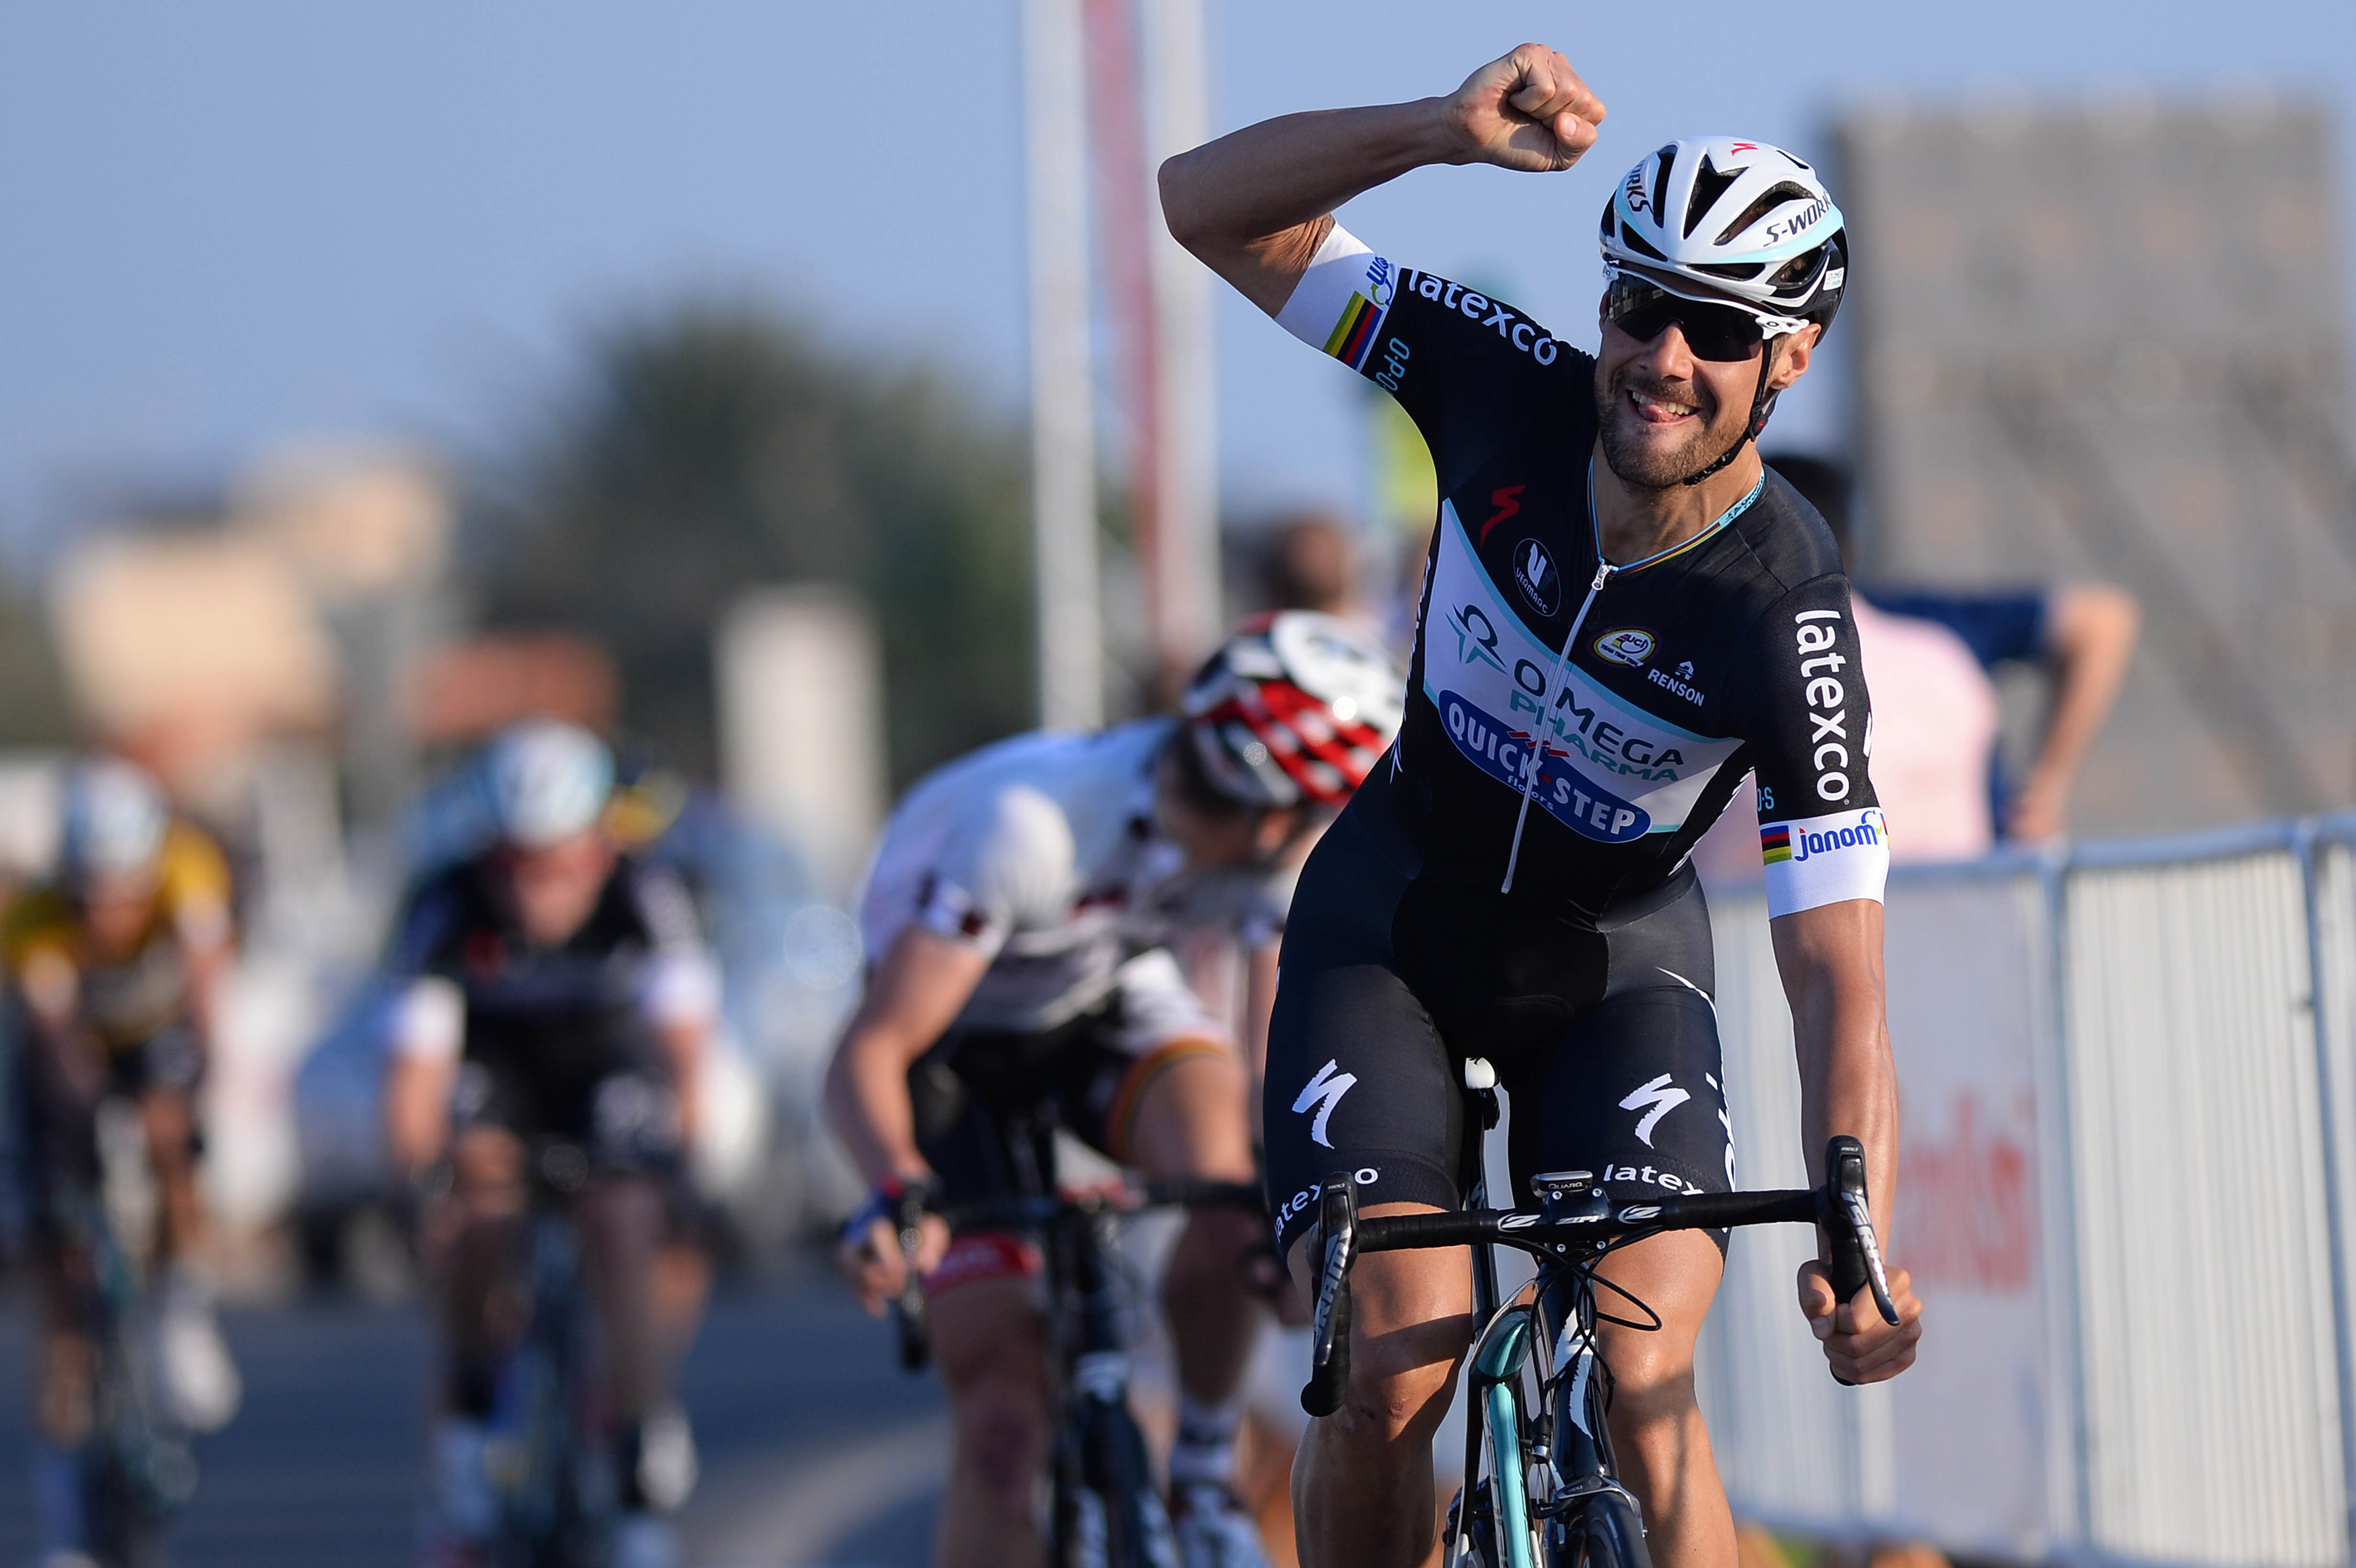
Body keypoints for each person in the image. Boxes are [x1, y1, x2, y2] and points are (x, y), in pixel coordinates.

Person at [1161, 44, 1925, 1568]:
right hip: (1392, 924)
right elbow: (1201, 207)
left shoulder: (1789, 617)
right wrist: (1432, 133)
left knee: (1646, 1377)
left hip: (1608, 968)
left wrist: (1858, 1235)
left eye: (1717, 328)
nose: (1662, 356)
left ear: (1790, 357)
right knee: (1390, 1372)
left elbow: (1837, 974)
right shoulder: (1496, 383)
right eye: (1640, 304)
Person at [829, 612, 1404, 1568]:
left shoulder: (1266, 845)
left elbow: (1275, 1051)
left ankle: (1208, 1470)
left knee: (1231, 1179)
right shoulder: (1029, 830)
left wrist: (1280, 1206)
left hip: (1101, 996)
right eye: (1322, 812)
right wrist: (892, 1183)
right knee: (1004, 1416)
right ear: (1271, 810)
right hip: (949, 1045)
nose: (1323, 837)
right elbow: (872, 1046)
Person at [383, 720, 718, 1568]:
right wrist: (421, 1181)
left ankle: (639, 1458)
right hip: (498, 1071)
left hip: (607, 1068)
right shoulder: (446, 902)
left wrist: (683, 1165)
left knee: (624, 1215)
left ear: (600, 848)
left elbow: (685, 1047)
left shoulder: (647, 894)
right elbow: (415, 1071)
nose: (538, 890)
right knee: (474, 1208)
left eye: (560, 864)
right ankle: (466, 1431)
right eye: (516, 867)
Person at [5, 756, 242, 1551]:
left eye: (123, 890)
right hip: (71, 1063)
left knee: (170, 1130)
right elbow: (54, 1046)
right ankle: (67, 1523)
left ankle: (182, 1308)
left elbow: (210, 995)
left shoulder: (188, 870)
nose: (107, 909)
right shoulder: (34, 919)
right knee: (59, 1303)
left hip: (157, 1040)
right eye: (90, 893)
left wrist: (200, 1080)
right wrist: (85, 1129)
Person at [1767, 455, 2139, 852]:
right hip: (1979, 892)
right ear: (1850, 539)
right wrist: (2047, 789)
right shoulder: (1932, 632)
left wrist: (2048, 786)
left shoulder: (1925, 628)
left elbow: (2103, 620)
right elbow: (2105, 618)